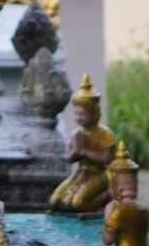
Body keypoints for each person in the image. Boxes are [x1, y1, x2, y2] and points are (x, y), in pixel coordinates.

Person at [49, 74, 119, 214]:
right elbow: (70, 158)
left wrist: (84, 151)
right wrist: (75, 151)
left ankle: (105, 198)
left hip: (100, 174)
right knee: (56, 201)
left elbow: (107, 159)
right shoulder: (77, 134)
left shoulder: (105, 134)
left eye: (82, 114)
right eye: (77, 114)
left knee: (77, 203)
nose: (79, 118)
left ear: (94, 113)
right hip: (81, 173)